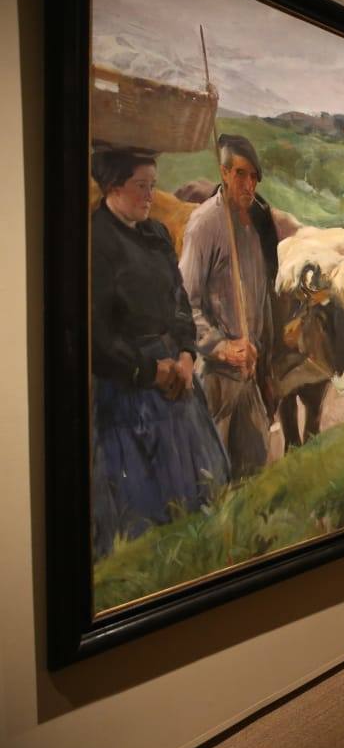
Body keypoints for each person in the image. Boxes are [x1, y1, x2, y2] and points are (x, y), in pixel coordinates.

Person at [90, 148, 229, 557]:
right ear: (114, 186)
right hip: (128, 389)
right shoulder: (97, 241)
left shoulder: (155, 235)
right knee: (142, 510)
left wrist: (186, 355)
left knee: (199, 488)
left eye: (153, 186)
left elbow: (180, 304)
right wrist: (149, 371)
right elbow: (97, 338)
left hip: (177, 379)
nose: (151, 195)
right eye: (141, 187)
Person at [179, 134, 280, 479]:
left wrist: (263, 362)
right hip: (214, 380)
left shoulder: (255, 228)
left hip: (248, 377)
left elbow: (262, 303)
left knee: (254, 476)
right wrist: (221, 346)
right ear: (223, 173)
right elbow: (184, 304)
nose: (249, 184)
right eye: (240, 174)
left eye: (254, 176)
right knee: (212, 480)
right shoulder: (205, 224)